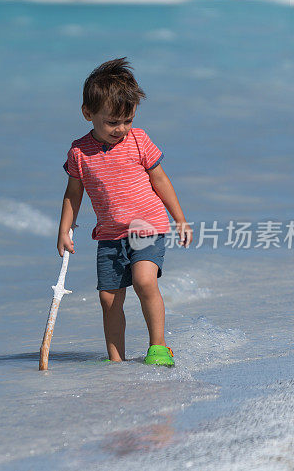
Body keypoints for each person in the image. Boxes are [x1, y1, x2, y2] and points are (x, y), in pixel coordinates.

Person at [56, 57, 193, 367]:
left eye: (127, 120)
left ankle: (157, 346)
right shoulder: (79, 152)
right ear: (88, 114)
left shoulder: (139, 140)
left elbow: (160, 180)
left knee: (144, 281)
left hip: (148, 226)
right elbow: (73, 193)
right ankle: (115, 359)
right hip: (109, 234)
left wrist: (180, 219)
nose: (121, 129)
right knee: (108, 299)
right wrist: (65, 229)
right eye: (112, 122)